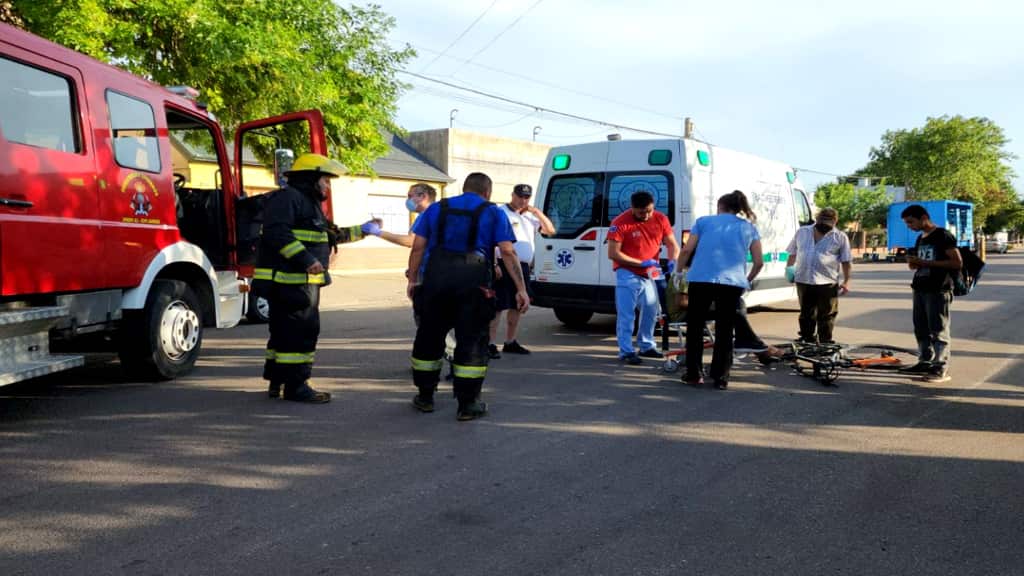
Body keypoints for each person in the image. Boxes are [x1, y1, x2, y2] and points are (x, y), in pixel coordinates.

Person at [255, 153, 380, 403]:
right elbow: (277, 233)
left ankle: (277, 381)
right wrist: (307, 260)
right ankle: (296, 386)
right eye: (325, 180)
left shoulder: (307, 203)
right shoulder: (290, 198)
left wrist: (364, 230)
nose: (327, 185)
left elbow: (330, 235)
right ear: (311, 178)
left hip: (298, 282)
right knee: (301, 332)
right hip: (291, 281)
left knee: (283, 333)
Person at [407, 172, 530, 421]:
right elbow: (506, 250)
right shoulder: (493, 212)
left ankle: (425, 397)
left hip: (435, 283)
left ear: (463, 189)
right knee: (471, 342)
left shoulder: (436, 209)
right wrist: (521, 288)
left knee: (429, 338)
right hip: (473, 287)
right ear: (487, 192)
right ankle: (467, 404)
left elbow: (418, 246)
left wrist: (412, 280)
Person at [676, 190, 763, 389]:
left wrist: (678, 272)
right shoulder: (749, 228)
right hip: (731, 283)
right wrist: (746, 280)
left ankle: (694, 374)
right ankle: (720, 377)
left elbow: (687, 250)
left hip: (700, 280)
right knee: (725, 330)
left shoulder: (703, 222)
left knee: (695, 327)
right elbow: (758, 262)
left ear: (719, 206)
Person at [607, 190, 680, 365]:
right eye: (641, 212)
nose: (646, 215)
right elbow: (613, 253)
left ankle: (646, 345)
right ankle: (626, 351)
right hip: (627, 272)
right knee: (627, 314)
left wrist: (672, 261)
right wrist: (640, 263)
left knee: (651, 309)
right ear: (632, 208)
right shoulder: (620, 223)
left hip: (650, 272)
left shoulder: (661, 219)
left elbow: (672, 245)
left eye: (649, 211)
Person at [488, 183, 555, 357]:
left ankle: (510, 341)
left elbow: (550, 230)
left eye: (526, 197)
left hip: (522, 266)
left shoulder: (529, 217)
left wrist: (535, 212)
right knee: (498, 306)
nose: (522, 200)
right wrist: (494, 263)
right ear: (512, 195)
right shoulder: (501, 212)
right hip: (503, 264)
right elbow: (491, 240)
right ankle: (489, 343)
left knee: (518, 305)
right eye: (520, 196)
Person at [898, 204, 962, 383]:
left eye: (911, 222)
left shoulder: (942, 235)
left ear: (923, 217)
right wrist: (914, 263)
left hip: (938, 289)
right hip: (920, 287)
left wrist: (926, 263)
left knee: (938, 330)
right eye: (907, 223)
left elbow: (957, 263)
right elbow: (922, 263)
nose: (909, 226)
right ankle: (925, 361)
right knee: (921, 328)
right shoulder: (921, 238)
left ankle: (940, 368)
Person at [784, 207, 853, 344]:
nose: (824, 226)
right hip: (803, 279)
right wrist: (789, 270)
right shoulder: (802, 232)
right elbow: (793, 252)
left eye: (828, 223)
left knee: (827, 314)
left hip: (827, 282)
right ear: (817, 219)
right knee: (806, 313)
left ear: (835, 222)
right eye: (822, 222)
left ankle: (825, 341)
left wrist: (846, 281)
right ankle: (807, 338)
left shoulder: (840, 237)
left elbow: (846, 261)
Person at [373, 183, 438, 248]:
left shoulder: (425, 215)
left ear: (423, 197)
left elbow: (412, 241)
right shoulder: (437, 212)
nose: (408, 200)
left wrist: (377, 232)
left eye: (410, 196)